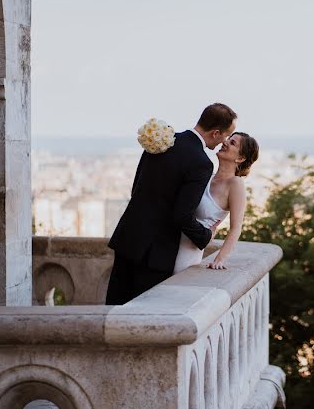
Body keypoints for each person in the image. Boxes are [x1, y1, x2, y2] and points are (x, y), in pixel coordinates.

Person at [104, 103, 237, 304]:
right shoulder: (201, 162)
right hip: (156, 252)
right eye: (226, 136)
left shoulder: (163, 138)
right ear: (216, 133)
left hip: (129, 236)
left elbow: (136, 188)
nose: (224, 141)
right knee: (144, 316)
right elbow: (182, 215)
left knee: (114, 309)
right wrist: (205, 235)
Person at [173, 131, 259, 273]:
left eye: (232, 143)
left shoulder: (235, 184)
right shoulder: (206, 175)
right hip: (168, 243)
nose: (225, 142)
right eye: (228, 139)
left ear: (241, 158)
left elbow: (236, 228)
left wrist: (219, 259)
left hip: (187, 252)